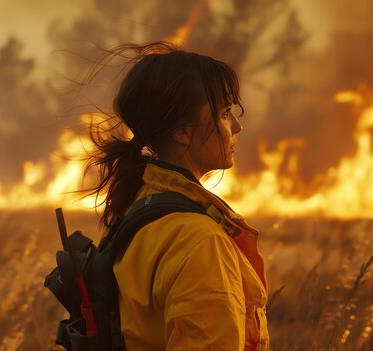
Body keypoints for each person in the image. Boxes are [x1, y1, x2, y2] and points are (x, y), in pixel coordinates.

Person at [82, 42, 269, 351]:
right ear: (182, 131)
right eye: (224, 114)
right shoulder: (200, 240)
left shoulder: (137, 204)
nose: (236, 126)